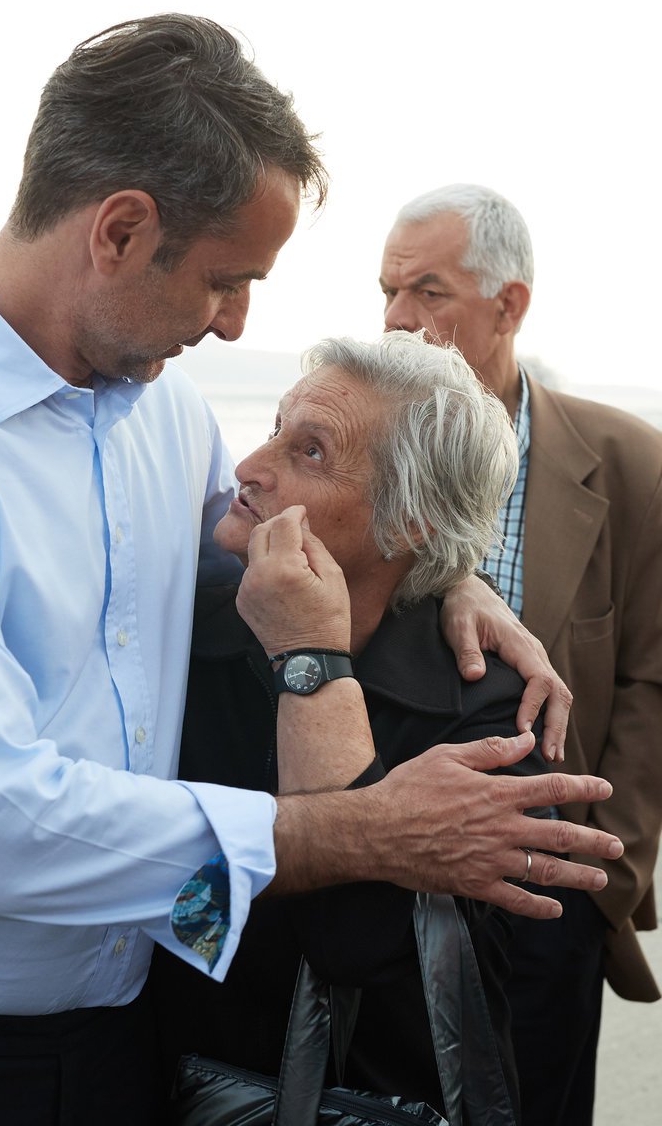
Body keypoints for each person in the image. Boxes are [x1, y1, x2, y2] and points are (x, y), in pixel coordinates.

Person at [0, 19, 620, 1125]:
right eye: (227, 281)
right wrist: (360, 832)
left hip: (139, 1052)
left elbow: (277, 537)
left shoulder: (160, 408)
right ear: (119, 231)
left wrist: (448, 575)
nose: (234, 324)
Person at [150, 331, 554, 1123]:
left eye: (308, 450)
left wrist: (310, 656)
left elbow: (351, 945)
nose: (248, 467)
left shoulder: (491, 708)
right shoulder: (190, 634)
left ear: (409, 523)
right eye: (272, 427)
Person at [380, 183, 662, 1126]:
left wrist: (606, 878)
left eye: (427, 292)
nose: (396, 320)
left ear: (510, 305)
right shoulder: (362, 445)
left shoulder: (631, 462)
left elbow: (652, 680)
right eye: (387, 292)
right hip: (389, 879)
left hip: (552, 886)